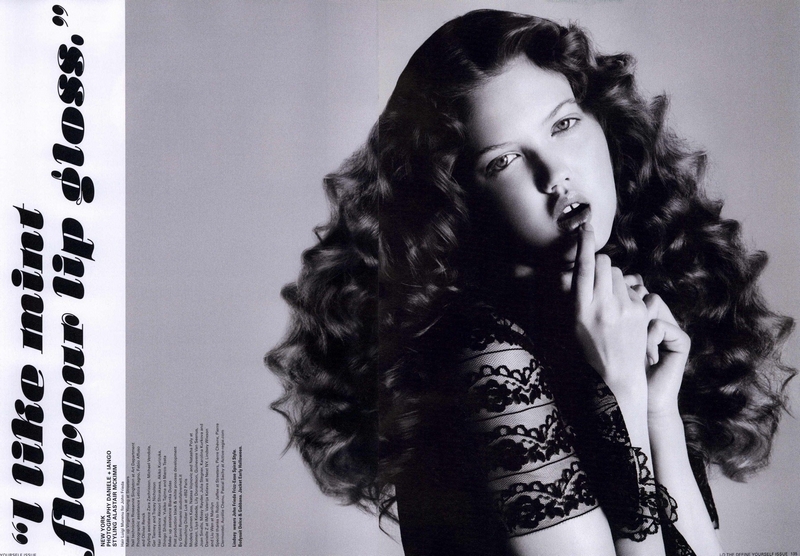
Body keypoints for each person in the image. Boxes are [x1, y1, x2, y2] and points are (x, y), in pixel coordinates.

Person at [267, 9, 794, 556]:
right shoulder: (484, 353)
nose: (554, 175)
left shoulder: (602, 323)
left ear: (604, 125)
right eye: (505, 160)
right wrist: (623, 396)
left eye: (563, 125)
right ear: (458, 199)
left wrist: (657, 410)